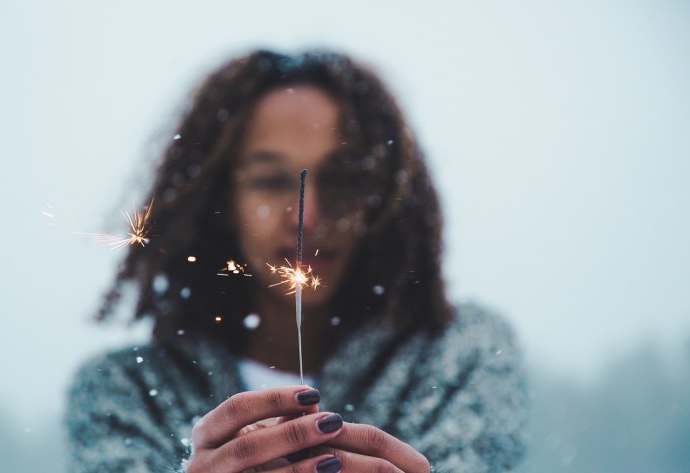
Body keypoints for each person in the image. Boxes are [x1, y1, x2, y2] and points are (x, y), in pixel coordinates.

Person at [66, 50, 527, 473]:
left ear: (381, 197)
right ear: (219, 200)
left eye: (341, 179)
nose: (307, 217)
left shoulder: (461, 355)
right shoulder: (123, 392)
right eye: (270, 180)